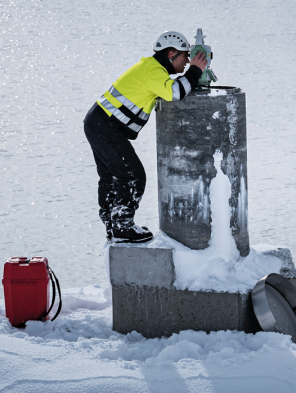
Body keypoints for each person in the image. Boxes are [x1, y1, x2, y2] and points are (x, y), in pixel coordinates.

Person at [84, 31, 208, 244]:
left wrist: (191, 75)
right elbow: (175, 92)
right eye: (185, 56)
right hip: (106, 126)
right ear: (171, 54)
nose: (188, 61)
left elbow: (171, 88)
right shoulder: (153, 71)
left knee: (112, 177)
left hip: (98, 122)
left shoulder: (151, 69)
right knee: (132, 176)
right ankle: (122, 227)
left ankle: (113, 225)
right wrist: (197, 70)